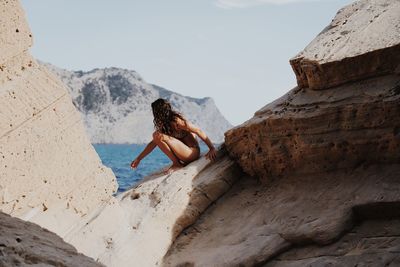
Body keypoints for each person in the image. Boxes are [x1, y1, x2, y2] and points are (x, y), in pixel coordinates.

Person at [130, 98, 217, 174]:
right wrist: (138, 159)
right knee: (156, 136)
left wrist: (211, 148)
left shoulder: (177, 121)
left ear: (158, 112)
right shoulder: (164, 125)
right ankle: (177, 163)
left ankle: (177, 164)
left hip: (192, 153)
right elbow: (153, 144)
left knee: (157, 135)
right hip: (184, 154)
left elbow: (198, 130)